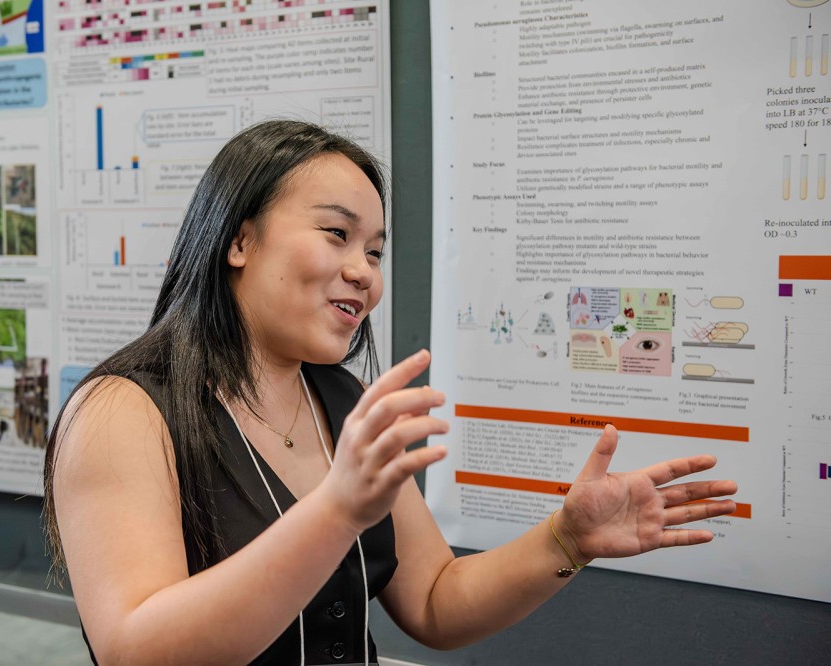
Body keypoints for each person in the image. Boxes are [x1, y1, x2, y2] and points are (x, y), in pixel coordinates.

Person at [43, 120, 737, 665]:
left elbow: (435, 602)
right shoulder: (122, 411)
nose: (364, 273)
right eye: (337, 234)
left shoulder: (342, 400)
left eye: (374, 251)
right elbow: (136, 650)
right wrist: (337, 511)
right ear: (240, 240)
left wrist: (566, 539)